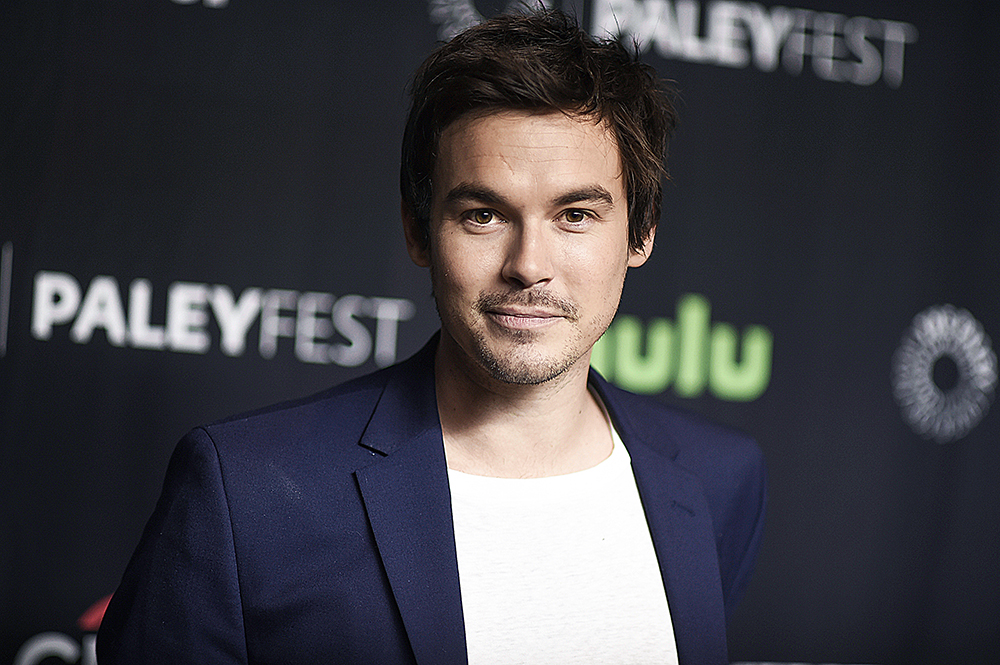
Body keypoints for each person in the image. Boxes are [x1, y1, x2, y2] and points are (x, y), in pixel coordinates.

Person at [97, 8, 765, 665]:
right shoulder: (243, 493)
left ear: (641, 233)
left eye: (576, 214)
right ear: (418, 231)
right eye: (482, 214)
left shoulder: (717, 480)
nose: (528, 264)